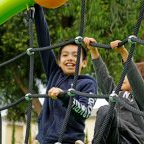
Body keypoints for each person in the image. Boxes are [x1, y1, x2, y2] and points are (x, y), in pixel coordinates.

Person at [34, 5, 97, 144]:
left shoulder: (88, 83)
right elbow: (43, 40)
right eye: (65, 55)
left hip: (70, 141)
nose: (69, 58)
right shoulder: (54, 73)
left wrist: (64, 96)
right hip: (45, 140)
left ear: (84, 62)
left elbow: (85, 112)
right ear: (59, 60)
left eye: (76, 55)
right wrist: (37, 8)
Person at [83, 37, 144, 144]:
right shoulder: (117, 95)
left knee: (108, 109)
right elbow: (104, 79)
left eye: (127, 75)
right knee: (105, 110)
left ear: (143, 81)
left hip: (130, 140)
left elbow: (135, 79)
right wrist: (93, 51)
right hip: (114, 137)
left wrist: (123, 52)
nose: (123, 77)